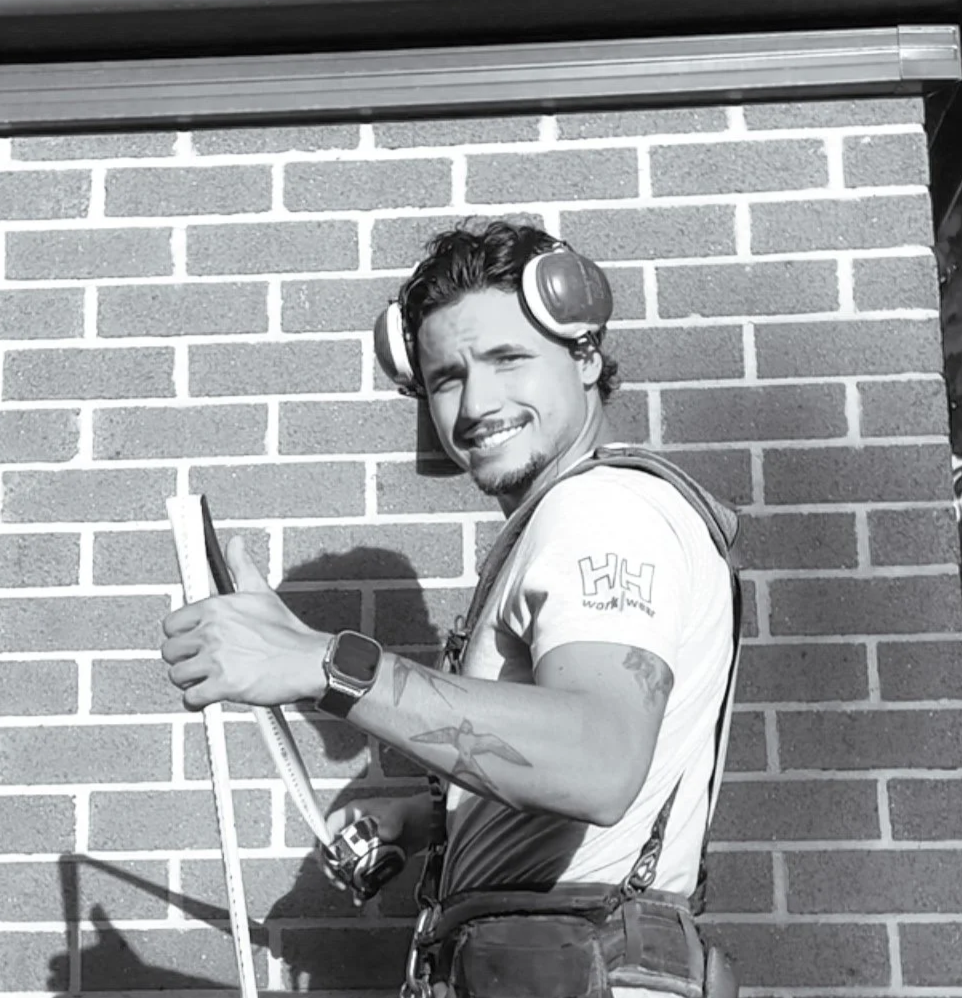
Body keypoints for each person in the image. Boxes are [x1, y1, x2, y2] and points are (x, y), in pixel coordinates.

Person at [161, 220, 740, 998]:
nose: (475, 402)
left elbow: (598, 763)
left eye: (507, 359)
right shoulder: (567, 516)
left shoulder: (600, 511)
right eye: (445, 376)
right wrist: (424, 818)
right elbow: (569, 782)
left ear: (586, 353)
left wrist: (320, 665)